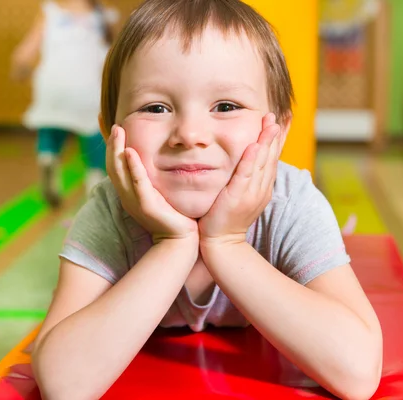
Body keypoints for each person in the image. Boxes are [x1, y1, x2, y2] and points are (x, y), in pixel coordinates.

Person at [31, 0, 383, 399]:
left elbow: (358, 374)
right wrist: (174, 244)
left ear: (278, 131)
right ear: (111, 131)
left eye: (226, 106)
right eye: (156, 107)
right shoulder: (110, 212)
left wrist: (226, 243)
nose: (190, 134)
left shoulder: (291, 203)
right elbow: (63, 385)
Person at [11, 0, 118, 206]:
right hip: (86, 88)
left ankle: (47, 156)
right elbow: (111, 58)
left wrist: (19, 69)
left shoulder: (50, 12)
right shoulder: (103, 17)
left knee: (51, 127)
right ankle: (94, 178)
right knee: (95, 131)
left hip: (52, 85)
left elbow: (25, 53)